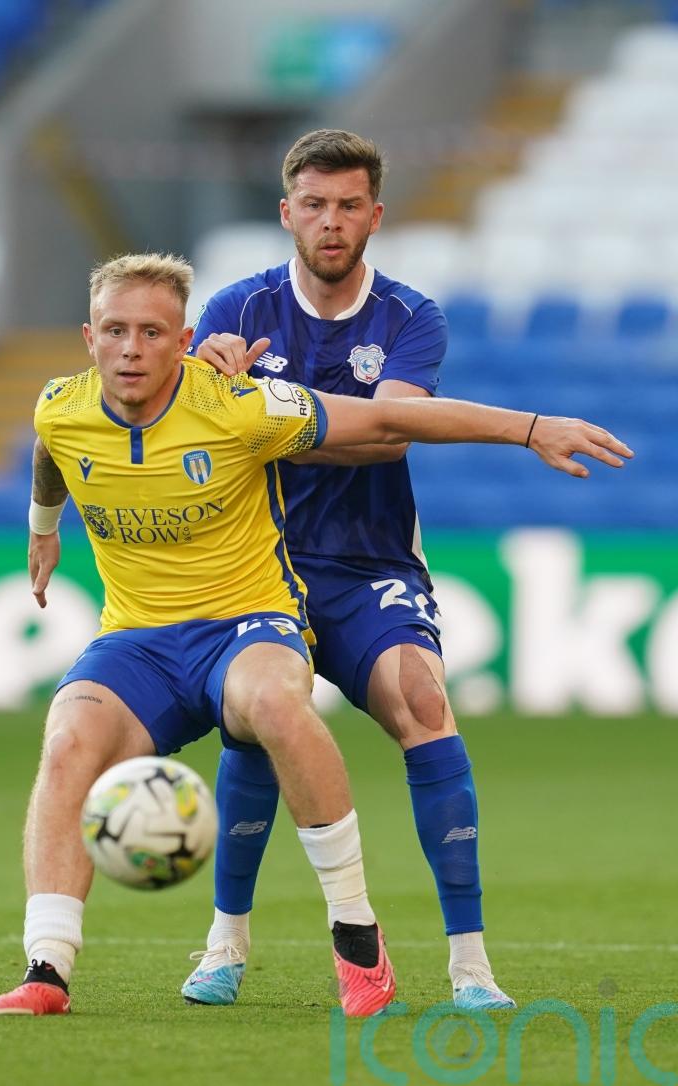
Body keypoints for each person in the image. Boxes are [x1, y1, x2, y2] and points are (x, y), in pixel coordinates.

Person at [0, 251, 630, 1020]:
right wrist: (41, 526)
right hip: (141, 639)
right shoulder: (61, 404)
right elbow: (53, 449)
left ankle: (357, 937)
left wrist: (529, 429)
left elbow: (389, 420)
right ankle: (46, 971)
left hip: (248, 623)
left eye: (152, 333)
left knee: (278, 704)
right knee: (66, 740)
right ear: (89, 338)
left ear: (183, 339)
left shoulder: (240, 406)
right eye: (116, 331)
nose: (132, 349)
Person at [179, 128, 624, 1012]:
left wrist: (260, 408)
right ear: (286, 214)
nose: (331, 222)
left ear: (375, 215)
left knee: (423, 704)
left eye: (349, 206)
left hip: (370, 563)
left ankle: (470, 965)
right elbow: (187, 437)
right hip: (260, 568)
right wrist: (206, 384)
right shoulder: (235, 309)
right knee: (263, 721)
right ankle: (224, 942)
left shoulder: (411, 317)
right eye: (314, 205)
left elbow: (386, 432)